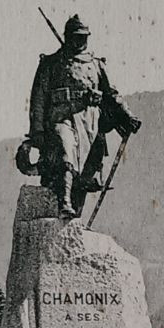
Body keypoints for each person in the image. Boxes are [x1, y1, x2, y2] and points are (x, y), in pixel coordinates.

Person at [22, 15, 141, 218]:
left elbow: (112, 94)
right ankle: (64, 202)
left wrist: (127, 115)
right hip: (62, 118)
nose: (79, 42)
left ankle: (75, 212)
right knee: (65, 148)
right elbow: (38, 99)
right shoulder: (51, 64)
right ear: (67, 37)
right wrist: (38, 132)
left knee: (88, 170)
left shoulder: (96, 65)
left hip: (89, 122)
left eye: (83, 37)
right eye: (75, 37)